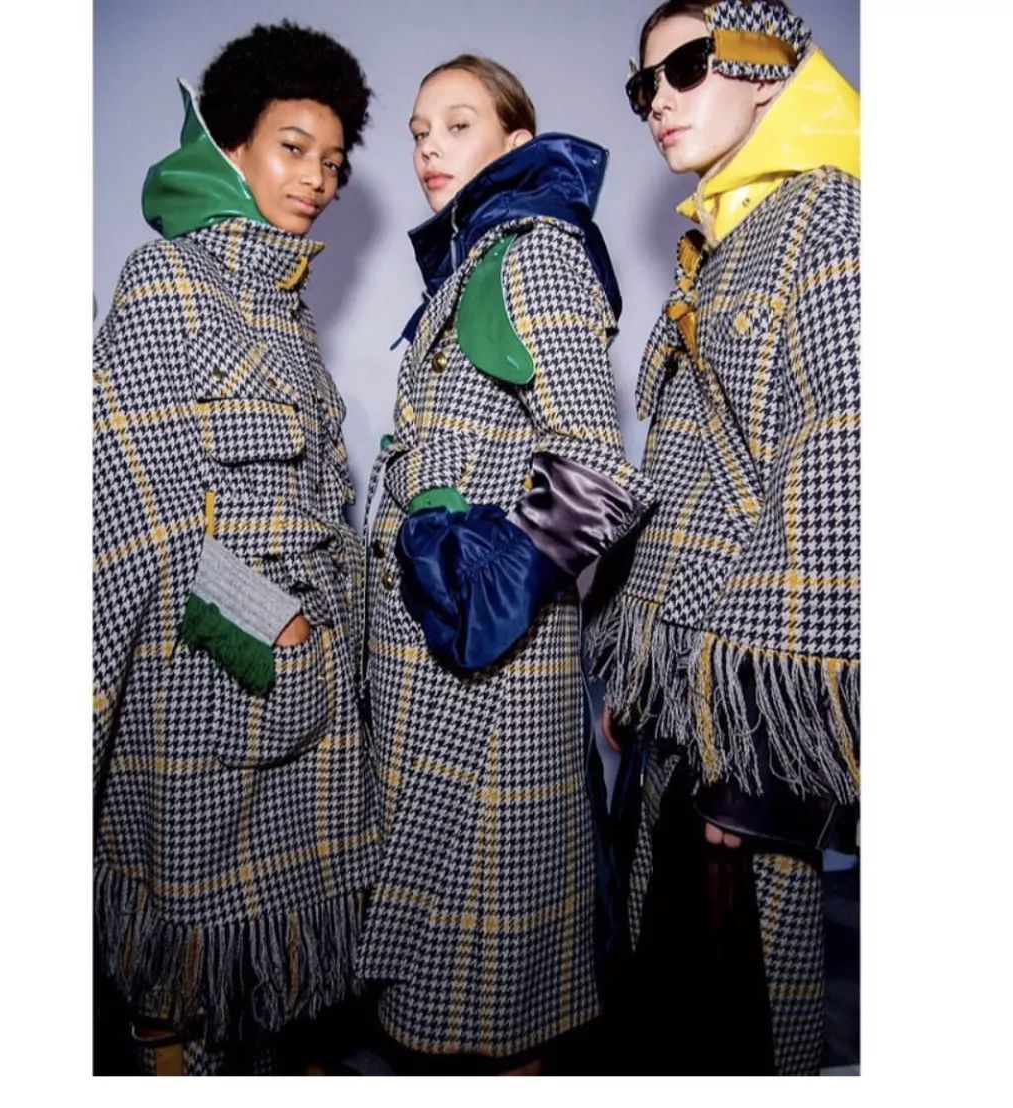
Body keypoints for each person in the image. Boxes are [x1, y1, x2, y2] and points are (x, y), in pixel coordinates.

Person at [356, 56, 657, 1072]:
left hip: (490, 677)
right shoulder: (474, 257)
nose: (429, 148)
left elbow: (596, 466)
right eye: (418, 131)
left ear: (516, 144)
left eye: (457, 124)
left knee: (491, 981)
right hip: (435, 665)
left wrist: (483, 590)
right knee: (452, 974)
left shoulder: (534, 253)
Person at [92, 21, 377, 1075]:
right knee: (186, 972)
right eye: (294, 148)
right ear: (231, 145)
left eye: (334, 162)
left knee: (283, 983)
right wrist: (275, 629)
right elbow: (139, 509)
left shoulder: (286, 312)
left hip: (311, 691)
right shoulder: (167, 281)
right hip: (205, 681)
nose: (317, 180)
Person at [587, 0, 860, 1075]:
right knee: (667, 1008)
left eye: (687, 66)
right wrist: (637, 675)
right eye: (641, 84)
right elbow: (688, 480)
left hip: (746, 710)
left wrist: (761, 770)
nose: (657, 98)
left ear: (767, 67)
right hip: (683, 697)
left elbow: (841, 469)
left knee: (741, 1020)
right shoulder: (720, 238)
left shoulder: (828, 214)